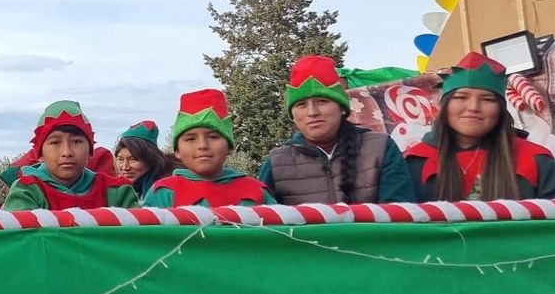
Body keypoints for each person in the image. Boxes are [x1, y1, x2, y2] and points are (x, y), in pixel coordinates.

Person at [403, 53, 555, 201]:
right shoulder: (413, 162)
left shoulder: (535, 159)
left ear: (501, 109)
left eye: (487, 99)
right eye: (461, 97)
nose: (473, 107)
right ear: (445, 106)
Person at [259, 56, 415, 204]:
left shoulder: (381, 148)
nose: (312, 112)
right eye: (301, 105)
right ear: (292, 114)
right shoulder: (276, 163)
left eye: (322, 101)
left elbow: (401, 214)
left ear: (342, 108)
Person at [145, 90, 274, 207]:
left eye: (213, 137)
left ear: (229, 146)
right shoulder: (163, 193)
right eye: (190, 139)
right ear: (177, 150)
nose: (202, 145)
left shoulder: (256, 191)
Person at [2, 102, 141, 211]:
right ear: (40, 154)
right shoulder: (27, 191)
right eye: (55, 142)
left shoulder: (117, 192)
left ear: (90, 151)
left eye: (76, 142)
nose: (66, 152)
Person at [112, 121, 174, 199]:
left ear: (151, 158)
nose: (125, 167)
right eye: (120, 159)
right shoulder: (118, 192)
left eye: (133, 159)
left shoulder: (167, 191)